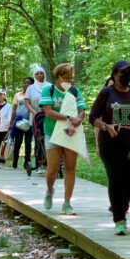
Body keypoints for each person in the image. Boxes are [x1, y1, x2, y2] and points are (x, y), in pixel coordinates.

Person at [90, 60, 130, 235]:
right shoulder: (107, 92)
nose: (126, 76)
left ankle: (122, 207)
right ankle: (119, 220)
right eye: (122, 73)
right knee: (116, 179)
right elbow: (93, 117)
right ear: (114, 74)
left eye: (129, 73)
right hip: (110, 145)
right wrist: (106, 127)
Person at [40, 63, 86, 215]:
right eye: (66, 77)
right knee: (53, 168)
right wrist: (68, 117)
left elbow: (81, 111)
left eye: (71, 77)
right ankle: (49, 190)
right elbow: (48, 111)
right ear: (58, 77)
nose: (69, 80)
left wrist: (77, 120)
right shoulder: (49, 90)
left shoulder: (74, 91)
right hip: (52, 132)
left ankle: (67, 203)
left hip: (71, 133)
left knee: (70, 167)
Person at [25, 67, 52, 173]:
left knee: (50, 140)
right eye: (37, 74)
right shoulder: (30, 88)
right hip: (36, 117)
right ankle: (39, 164)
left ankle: (50, 163)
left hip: (49, 117)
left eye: (42, 73)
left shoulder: (50, 86)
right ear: (34, 75)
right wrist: (35, 113)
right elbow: (27, 103)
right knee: (38, 140)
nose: (40, 75)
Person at [9, 77, 34, 174]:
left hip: (30, 122)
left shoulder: (33, 95)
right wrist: (11, 123)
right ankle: (15, 161)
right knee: (17, 142)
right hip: (19, 122)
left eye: (28, 83)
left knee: (28, 143)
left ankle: (27, 162)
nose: (26, 85)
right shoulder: (18, 95)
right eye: (25, 83)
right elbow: (14, 109)